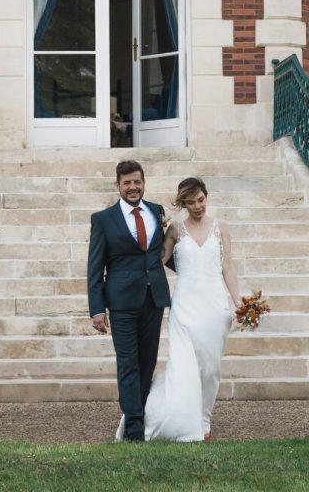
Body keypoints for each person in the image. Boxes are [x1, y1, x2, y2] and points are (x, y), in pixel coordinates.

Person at [132, 176, 240, 443]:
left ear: (206, 195)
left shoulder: (221, 226)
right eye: (190, 202)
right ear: (183, 204)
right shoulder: (176, 230)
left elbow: (227, 266)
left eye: (200, 199)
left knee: (210, 367)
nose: (197, 206)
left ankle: (204, 418)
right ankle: (185, 423)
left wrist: (239, 302)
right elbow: (158, 261)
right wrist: (155, 232)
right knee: (183, 364)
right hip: (184, 304)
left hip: (215, 304)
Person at [87, 159, 171, 442]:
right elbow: (95, 266)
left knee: (147, 362)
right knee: (128, 363)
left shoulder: (156, 211)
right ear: (118, 185)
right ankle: (134, 428)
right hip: (122, 302)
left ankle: (141, 414)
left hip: (154, 299)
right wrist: (97, 309)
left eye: (137, 182)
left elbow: (163, 254)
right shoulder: (103, 219)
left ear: (143, 183)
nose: (133, 187)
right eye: (127, 183)